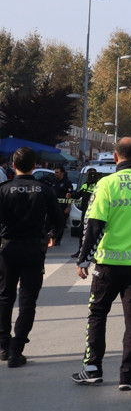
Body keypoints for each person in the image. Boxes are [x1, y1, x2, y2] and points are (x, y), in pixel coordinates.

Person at [71, 137, 131, 390]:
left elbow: (93, 225)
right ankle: (128, 375)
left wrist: (84, 258)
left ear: (116, 157)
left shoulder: (107, 184)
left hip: (108, 265)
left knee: (97, 314)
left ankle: (92, 368)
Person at [0, 147, 64, 367]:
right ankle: (16, 350)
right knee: (28, 301)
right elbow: (58, 219)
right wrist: (52, 236)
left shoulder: (4, 189)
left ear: (14, 165)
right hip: (33, 251)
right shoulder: (44, 190)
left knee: (4, 297)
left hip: (7, 250)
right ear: (35, 165)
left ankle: (3, 346)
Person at [69, 168, 100, 259]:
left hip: (95, 213)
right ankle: (80, 251)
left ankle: (95, 253)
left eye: (92, 174)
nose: (90, 176)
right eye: (89, 174)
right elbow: (78, 195)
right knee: (82, 232)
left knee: (94, 233)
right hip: (85, 213)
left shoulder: (98, 185)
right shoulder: (85, 185)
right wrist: (71, 194)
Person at [52, 165, 74, 245]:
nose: (56, 174)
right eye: (55, 172)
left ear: (62, 173)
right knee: (53, 223)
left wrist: (68, 207)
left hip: (62, 207)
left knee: (60, 224)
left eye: (57, 172)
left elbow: (70, 196)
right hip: (54, 206)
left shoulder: (67, 183)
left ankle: (57, 240)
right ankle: (52, 238)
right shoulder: (53, 181)